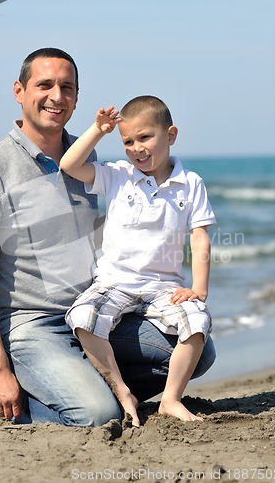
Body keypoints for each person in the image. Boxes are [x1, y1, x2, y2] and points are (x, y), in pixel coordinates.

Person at [0, 48, 216, 427]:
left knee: (199, 351)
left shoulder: (91, 160)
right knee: (97, 414)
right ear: (19, 90)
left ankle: (83, 388)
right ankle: (30, 398)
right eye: (44, 85)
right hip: (32, 324)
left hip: (98, 309)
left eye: (67, 87)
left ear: (77, 97)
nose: (56, 96)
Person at [61, 97, 216, 425]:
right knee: (83, 315)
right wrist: (98, 131)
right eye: (128, 141)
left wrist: (198, 289)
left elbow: (199, 236)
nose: (136, 148)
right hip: (115, 282)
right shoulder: (117, 175)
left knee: (198, 323)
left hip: (164, 287)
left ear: (170, 135)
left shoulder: (191, 184)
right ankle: (121, 391)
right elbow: (69, 165)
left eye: (145, 137)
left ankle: (170, 399)